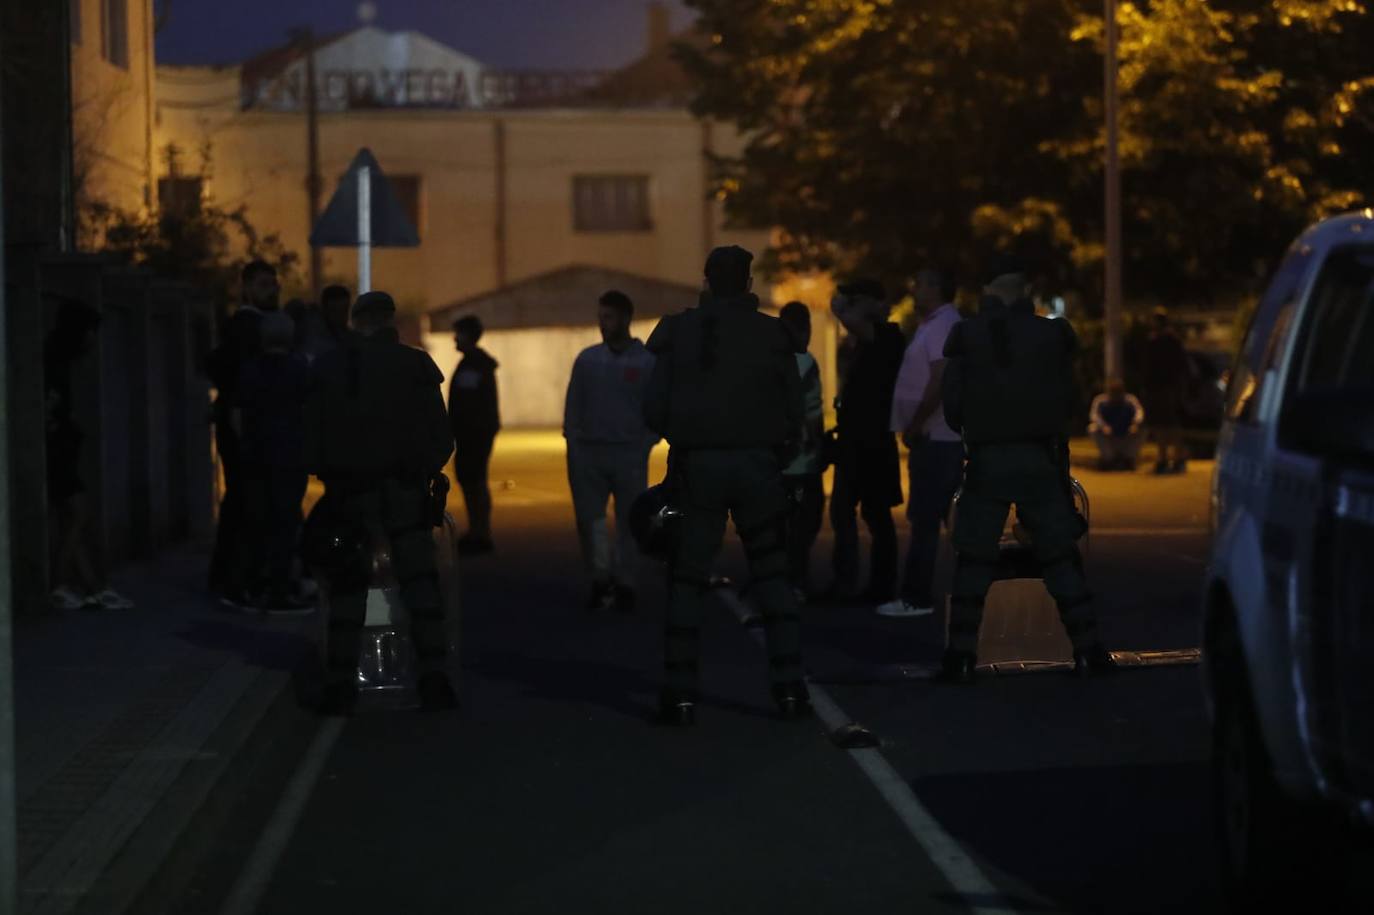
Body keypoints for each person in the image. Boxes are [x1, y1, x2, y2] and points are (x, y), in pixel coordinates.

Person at [643, 245, 807, 726]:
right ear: (750, 283)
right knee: (773, 577)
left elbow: (652, 410)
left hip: (699, 470)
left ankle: (680, 697)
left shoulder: (678, 330)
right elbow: (795, 412)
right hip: (759, 468)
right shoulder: (773, 333)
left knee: (688, 582)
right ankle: (791, 690)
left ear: (708, 281)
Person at [940, 256, 1114, 682]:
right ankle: (1089, 652)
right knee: (1059, 557)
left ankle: (961, 658)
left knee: (975, 561)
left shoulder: (967, 335)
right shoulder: (1052, 334)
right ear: (1024, 290)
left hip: (988, 461)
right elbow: (1070, 398)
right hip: (1041, 460)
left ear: (989, 290)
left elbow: (952, 406)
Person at [304, 291, 457, 714]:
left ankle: (340, 684)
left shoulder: (328, 367)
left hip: (349, 496)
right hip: (403, 492)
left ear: (356, 321)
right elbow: (440, 437)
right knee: (420, 584)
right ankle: (434, 678)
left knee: (348, 586)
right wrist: (421, 471)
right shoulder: (414, 365)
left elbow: (311, 439)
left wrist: (332, 476)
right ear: (391, 321)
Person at [563, 290, 658, 612]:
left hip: (629, 453)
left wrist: (646, 442)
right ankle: (600, 578)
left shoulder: (646, 362)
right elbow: (573, 405)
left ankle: (627, 581)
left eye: (609, 317)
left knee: (631, 520)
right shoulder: (588, 359)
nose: (602, 324)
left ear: (626, 318)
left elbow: (656, 408)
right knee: (591, 521)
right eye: (600, 317)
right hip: (589, 453)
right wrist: (574, 443)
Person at [879, 269, 963, 619]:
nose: (914, 287)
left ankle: (916, 597)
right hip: (937, 439)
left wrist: (915, 424)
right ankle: (971, 597)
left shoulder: (943, 323)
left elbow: (940, 378)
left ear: (938, 288)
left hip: (936, 439)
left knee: (926, 520)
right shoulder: (934, 323)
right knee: (946, 522)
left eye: (922, 283)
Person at [44, 298, 135, 611]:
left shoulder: (59, 360)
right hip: (56, 454)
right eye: (91, 332)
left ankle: (95, 588)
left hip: (60, 452)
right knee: (79, 515)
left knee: (74, 519)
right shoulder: (53, 361)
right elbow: (48, 408)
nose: (93, 341)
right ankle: (57, 584)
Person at [825, 278, 905, 604]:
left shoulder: (887, 335)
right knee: (842, 511)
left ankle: (881, 585)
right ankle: (846, 581)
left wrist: (847, 304)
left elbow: (846, 315)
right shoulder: (858, 343)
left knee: (877, 517)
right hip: (853, 443)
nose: (851, 308)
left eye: (859, 301)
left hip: (873, 444)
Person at [208, 260, 280, 603]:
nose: (273, 291)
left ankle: (231, 578)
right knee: (246, 503)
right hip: (244, 429)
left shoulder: (249, 325)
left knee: (242, 502)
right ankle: (237, 580)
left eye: (274, 284)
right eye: (265, 284)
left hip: (244, 427)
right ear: (248, 287)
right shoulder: (246, 328)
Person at [235, 311, 312, 613]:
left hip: (256, 454)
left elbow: (238, 413)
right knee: (285, 522)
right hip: (290, 454)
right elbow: (309, 410)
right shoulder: (299, 369)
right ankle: (280, 590)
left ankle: (254, 585)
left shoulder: (250, 369)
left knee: (258, 520)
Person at [777, 301, 825, 603]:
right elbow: (813, 413)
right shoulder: (805, 362)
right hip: (801, 462)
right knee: (805, 524)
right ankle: (796, 580)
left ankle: (779, 581)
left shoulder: (767, 360)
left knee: (780, 526)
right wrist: (818, 444)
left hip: (774, 462)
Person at [448, 314, 500, 555]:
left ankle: (481, 532)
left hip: (475, 433)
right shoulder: (472, 363)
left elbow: (471, 404)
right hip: (471, 432)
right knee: (471, 480)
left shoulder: (475, 364)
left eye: (458, 333)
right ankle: (477, 530)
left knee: (475, 481)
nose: (454, 338)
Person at [1143, 307, 1191, 475]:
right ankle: (1165, 458)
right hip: (1162, 387)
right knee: (1163, 425)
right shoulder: (1162, 340)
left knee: (1169, 424)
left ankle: (1175, 458)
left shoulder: (1167, 340)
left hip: (1166, 387)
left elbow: (1178, 365)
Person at [1089, 378, 1145, 471]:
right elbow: (1094, 416)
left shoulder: (1130, 400)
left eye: (1117, 391)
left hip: (1126, 436)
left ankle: (1128, 457)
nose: (1115, 394)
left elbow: (1139, 413)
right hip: (1109, 439)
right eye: (1113, 391)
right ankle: (1109, 458)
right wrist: (1103, 426)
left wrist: (1135, 424)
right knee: (1092, 428)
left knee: (1143, 430)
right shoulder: (1100, 401)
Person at [297, 284, 355, 364]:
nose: (340, 316)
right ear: (325, 309)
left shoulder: (348, 337)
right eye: (334, 311)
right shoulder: (313, 337)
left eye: (344, 310)